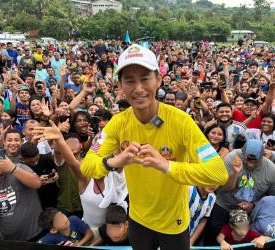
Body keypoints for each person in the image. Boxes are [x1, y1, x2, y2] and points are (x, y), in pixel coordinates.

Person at [74, 44, 228, 249]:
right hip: (138, 220)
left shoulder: (181, 122)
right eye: (129, 80)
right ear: (120, 85)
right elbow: (87, 166)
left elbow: (218, 173)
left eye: (145, 79)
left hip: (174, 223)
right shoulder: (118, 123)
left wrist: (166, 166)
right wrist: (114, 161)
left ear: (159, 80)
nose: (138, 88)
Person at [0, 145, 43, 241]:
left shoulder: (19, 168)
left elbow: (37, 184)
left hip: (36, 233)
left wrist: (12, 168)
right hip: (9, 238)